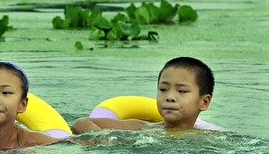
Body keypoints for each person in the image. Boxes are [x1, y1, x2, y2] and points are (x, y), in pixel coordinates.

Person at [72, 56, 214, 133]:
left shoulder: (210, 138)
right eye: (163, 89)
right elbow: (81, 123)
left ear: (204, 102)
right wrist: (102, 138)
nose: (170, 97)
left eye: (181, 91)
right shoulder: (141, 127)